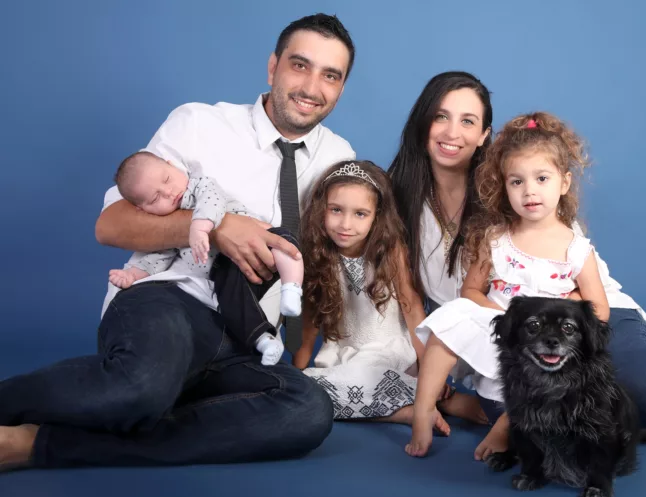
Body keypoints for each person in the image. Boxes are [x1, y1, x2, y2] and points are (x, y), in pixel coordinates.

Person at [0, 12, 356, 470]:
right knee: (141, 387)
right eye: (300, 65)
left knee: (306, 411)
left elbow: (341, 256)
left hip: (247, 335)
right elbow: (110, 224)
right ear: (273, 66)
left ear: (341, 87)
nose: (311, 86)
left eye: (330, 75)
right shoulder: (200, 123)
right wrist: (217, 226)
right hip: (168, 301)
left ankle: (36, 444)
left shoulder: (339, 157)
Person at [405, 111, 646, 458]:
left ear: (563, 183)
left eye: (541, 179)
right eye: (517, 182)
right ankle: (425, 412)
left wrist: (566, 320)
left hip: (554, 338)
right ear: (505, 186)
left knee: (568, 395)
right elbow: (470, 291)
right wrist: (500, 315)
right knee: (458, 321)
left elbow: (599, 308)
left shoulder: (574, 247)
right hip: (512, 331)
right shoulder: (495, 240)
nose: (529, 191)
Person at [292, 160, 451, 432]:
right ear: (321, 209)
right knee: (305, 390)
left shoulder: (389, 251)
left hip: (388, 354)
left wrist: (430, 370)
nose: (345, 224)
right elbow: (309, 323)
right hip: (342, 357)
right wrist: (296, 374)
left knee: (367, 376)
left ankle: (416, 401)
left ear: (377, 216)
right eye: (336, 210)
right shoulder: (319, 254)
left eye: (360, 214)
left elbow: (412, 307)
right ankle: (409, 406)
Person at [106, 150, 305, 365]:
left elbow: (213, 200)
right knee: (231, 303)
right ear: (143, 209)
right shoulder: (169, 227)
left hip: (258, 242)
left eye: (167, 179)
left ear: (171, 164)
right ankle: (263, 340)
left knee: (284, 241)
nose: (169, 192)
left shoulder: (199, 186)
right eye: (156, 198)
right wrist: (132, 274)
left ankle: (292, 289)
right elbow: (157, 258)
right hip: (226, 267)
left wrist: (199, 227)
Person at [389, 70, 495, 425]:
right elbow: (408, 298)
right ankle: (447, 400)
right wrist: (430, 377)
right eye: (441, 116)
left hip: (520, 330)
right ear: (423, 123)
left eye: (467, 121)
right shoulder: (398, 196)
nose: (452, 133)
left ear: (484, 135)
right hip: (455, 343)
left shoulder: (507, 191)